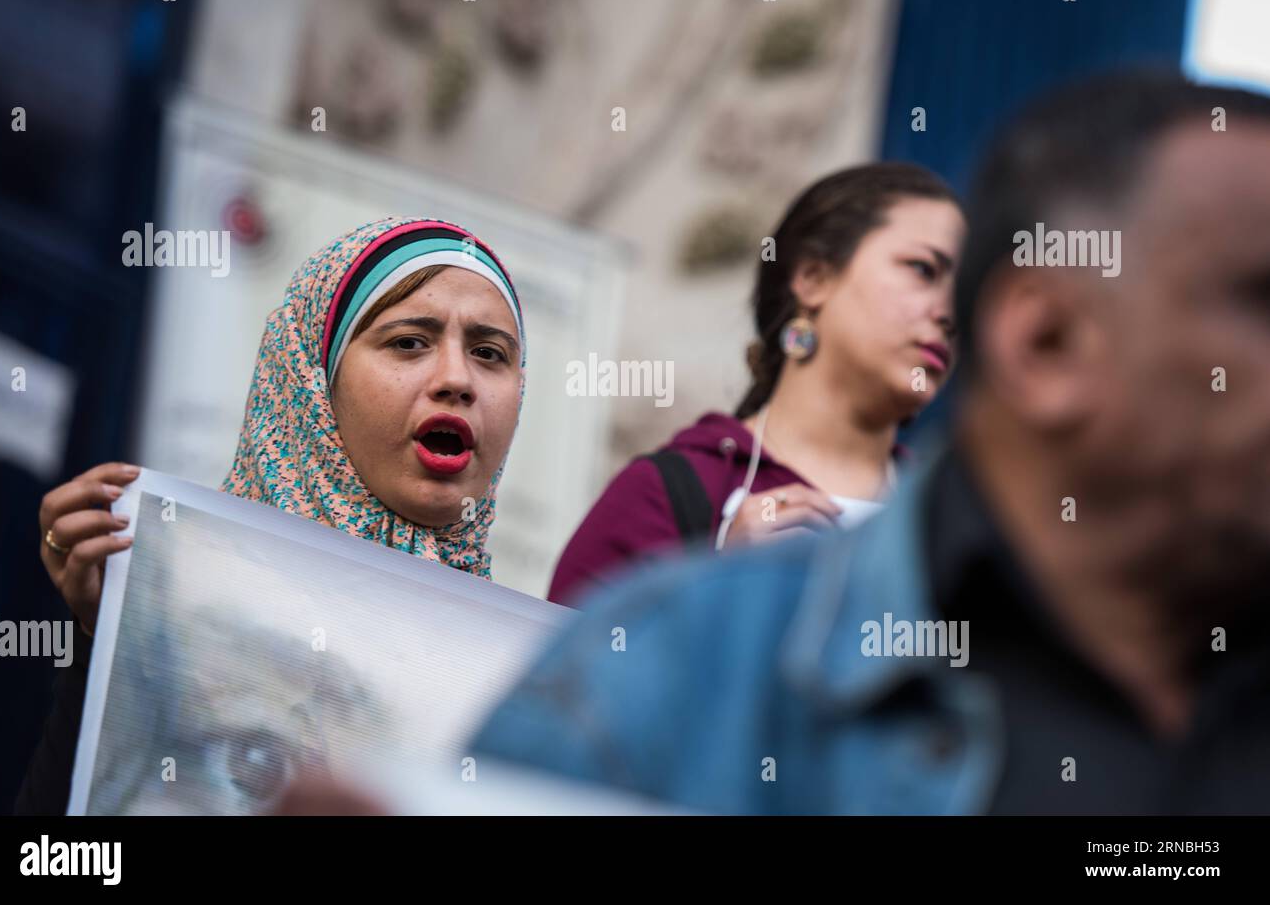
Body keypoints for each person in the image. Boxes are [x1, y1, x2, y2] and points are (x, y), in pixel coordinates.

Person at [470, 73, 1270, 813]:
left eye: (956, 283)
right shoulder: (672, 625)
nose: (949, 309)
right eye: (925, 270)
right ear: (1041, 337)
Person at [19, 216, 527, 813]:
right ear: (311, 374)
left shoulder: (526, 692)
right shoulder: (179, 605)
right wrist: (108, 644)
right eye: (408, 342)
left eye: (489, 354)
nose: (457, 379)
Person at [548, 163, 964, 607]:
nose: (950, 313)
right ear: (814, 279)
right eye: (923, 269)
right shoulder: (663, 496)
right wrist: (719, 588)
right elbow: (568, 674)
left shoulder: (960, 525)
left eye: (968, 291)